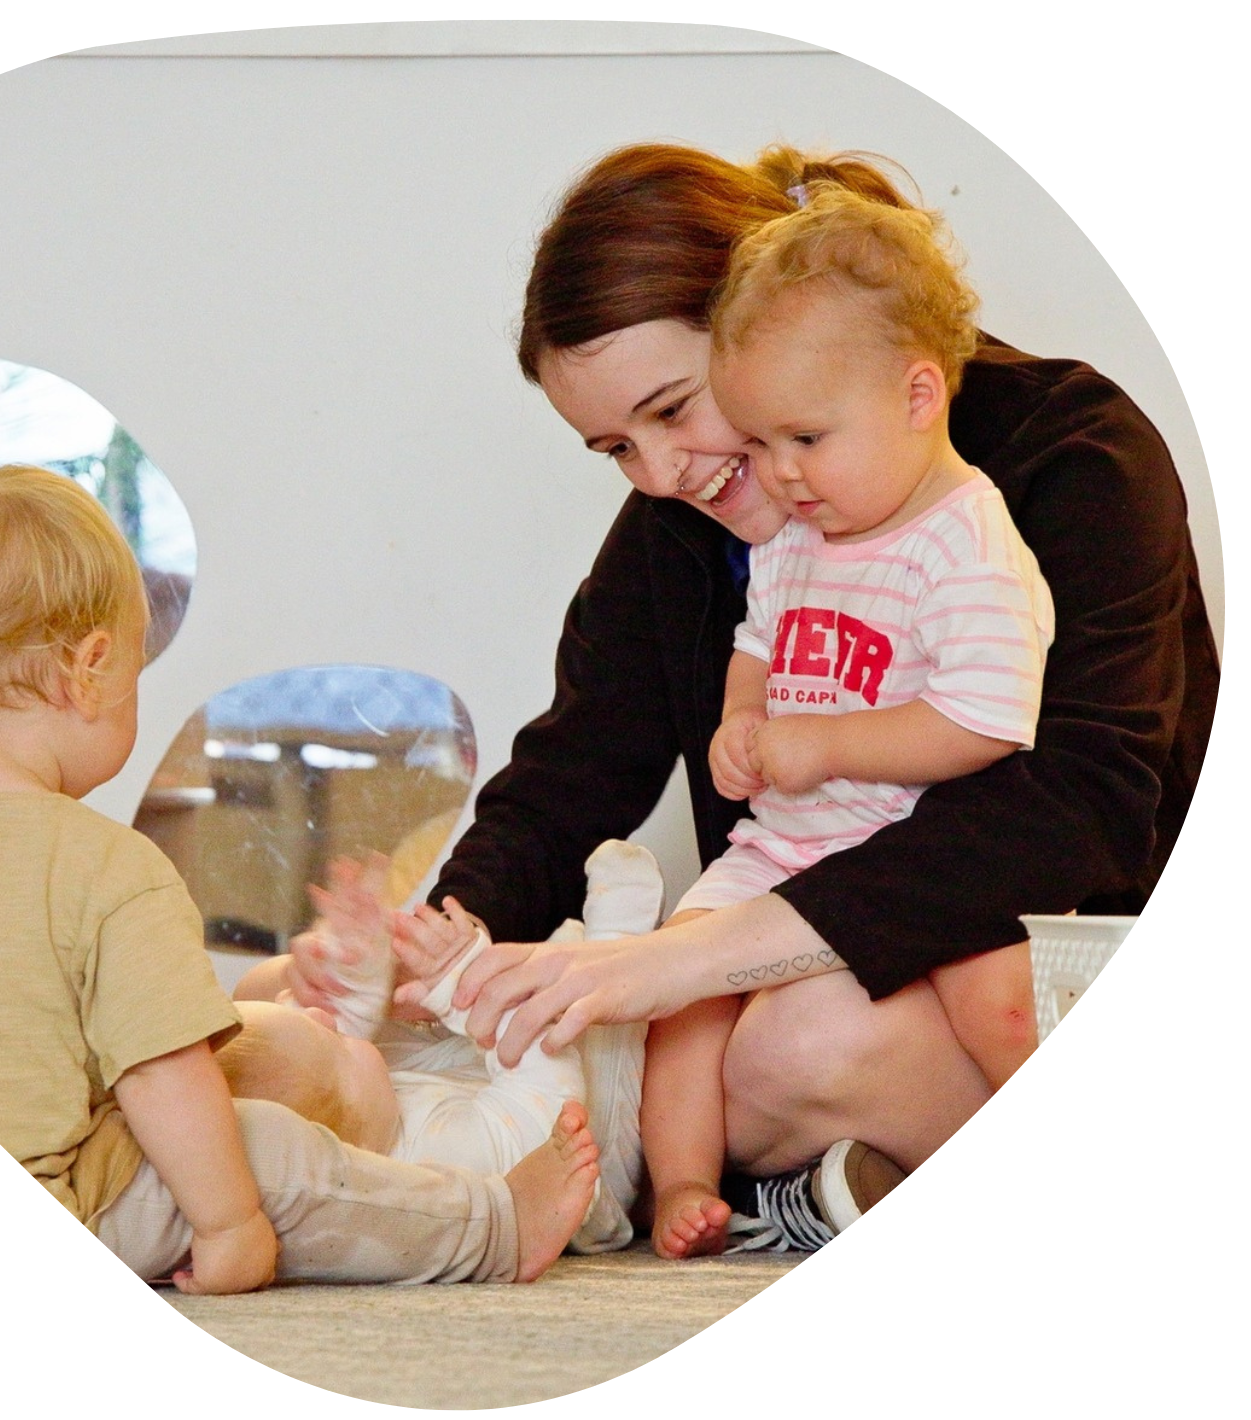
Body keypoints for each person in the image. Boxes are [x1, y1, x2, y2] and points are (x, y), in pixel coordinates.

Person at [414, 142, 1215, 1252]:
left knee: (784, 1045)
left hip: (1024, 949)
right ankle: (813, 1182)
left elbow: (1084, 805)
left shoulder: (1069, 452)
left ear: (763, 323)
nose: (662, 474)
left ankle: (803, 1176)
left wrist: (691, 956)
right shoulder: (682, 526)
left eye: (675, 408)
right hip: (816, 953)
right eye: (615, 449)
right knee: (677, 1050)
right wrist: (440, 939)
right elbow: (570, 770)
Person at [0, 464, 601, 1292]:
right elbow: (162, 1075)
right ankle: (493, 1227)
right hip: (75, 1199)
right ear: (89, 668)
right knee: (256, 1148)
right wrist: (230, 1224)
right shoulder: (105, 867)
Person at [639, 186, 1055, 1258]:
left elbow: (985, 719)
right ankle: (685, 1186)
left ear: (920, 394)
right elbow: (757, 644)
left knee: (1001, 1009)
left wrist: (820, 744)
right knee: (677, 982)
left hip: (914, 854)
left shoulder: (966, 542)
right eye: (767, 439)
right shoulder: (797, 533)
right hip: (783, 842)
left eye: (808, 438)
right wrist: (742, 718)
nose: (778, 473)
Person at [229, 841, 659, 1253]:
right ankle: (618, 943)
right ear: (339, 1150)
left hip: (465, 1092)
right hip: (570, 1151)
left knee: (402, 1028)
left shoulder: (359, 1115)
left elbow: (335, 1024)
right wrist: (462, 982)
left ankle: (559, 962)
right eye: (331, 1041)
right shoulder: (441, 1171)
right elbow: (545, 1085)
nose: (320, 1018)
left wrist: (351, 960)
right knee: (588, 1046)